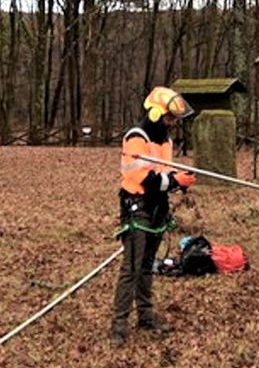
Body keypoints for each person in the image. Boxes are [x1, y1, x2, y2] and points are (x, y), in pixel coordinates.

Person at [109, 86, 197, 348]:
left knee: (148, 265)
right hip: (137, 206)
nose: (172, 123)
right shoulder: (136, 137)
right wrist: (172, 182)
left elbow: (164, 173)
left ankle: (146, 317)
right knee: (131, 268)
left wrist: (178, 181)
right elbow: (142, 177)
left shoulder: (166, 141)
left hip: (158, 207)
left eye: (175, 119)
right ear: (157, 113)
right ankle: (118, 325)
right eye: (170, 117)